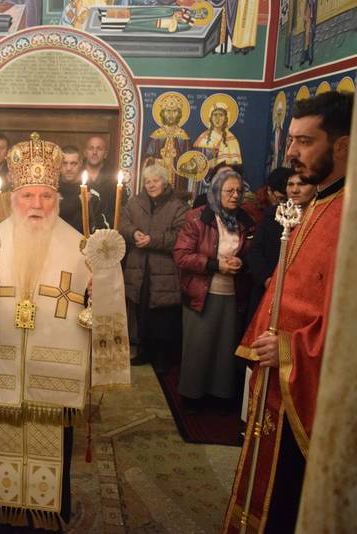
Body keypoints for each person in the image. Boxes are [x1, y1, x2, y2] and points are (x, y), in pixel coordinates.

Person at [224, 91, 352, 533]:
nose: (291, 153)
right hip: (280, 375)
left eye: (305, 141)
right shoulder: (316, 204)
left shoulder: (350, 214)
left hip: (311, 379)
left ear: (342, 146)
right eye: (291, 139)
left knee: (294, 498)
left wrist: (293, 348)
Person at [0, 133, 97, 530]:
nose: (37, 205)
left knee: (52, 433)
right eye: (28, 196)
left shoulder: (81, 246)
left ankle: (47, 510)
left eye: (46, 196)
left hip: (52, 372)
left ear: (58, 199)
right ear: (12, 198)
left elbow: (99, 312)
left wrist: (99, 289)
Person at [173, 167, 255, 412]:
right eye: (229, 191)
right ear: (216, 191)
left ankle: (219, 396)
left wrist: (242, 263)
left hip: (233, 294)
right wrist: (215, 265)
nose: (235, 195)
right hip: (201, 293)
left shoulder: (246, 220)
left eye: (239, 191)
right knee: (198, 347)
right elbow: (181, 256)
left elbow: (253, 254)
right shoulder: (198, 218)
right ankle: (192, 395)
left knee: (224, 349)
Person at [120, 164, 189, 371]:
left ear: (165, 182)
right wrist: (133, 232)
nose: (151, 185)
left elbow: (181, 236)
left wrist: (152, 240)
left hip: (164, 269)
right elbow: (122, 222)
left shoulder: (178, 205)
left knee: (162, 314)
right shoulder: (135, 203)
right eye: (147, 181)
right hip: (139, 266)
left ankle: (162, 357)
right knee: (140, 311)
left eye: (155, 181)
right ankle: (144, 351)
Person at [244, 167, 295, 324]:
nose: (285, 203)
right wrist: (266, 278)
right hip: (265, 285)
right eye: (280, 199)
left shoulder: (303, 214)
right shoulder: (270, 214)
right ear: (269, 192)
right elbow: (255, 251)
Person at [58, 144, 102, 233]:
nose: (69, 168)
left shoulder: (91, 191)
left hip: (83, 240)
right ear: (58, 164)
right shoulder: (51, 189)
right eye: (64, 163)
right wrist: (78, 200)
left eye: (73, 163)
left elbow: (101, 226)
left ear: (80, 163)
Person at [83, 134, 118, 228]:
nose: (94, 152)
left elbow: (121, 207)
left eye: (99, 149)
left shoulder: (114, 177)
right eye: (91, 148)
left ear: (105, 154)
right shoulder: (76, 173)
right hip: (78, 229)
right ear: (85, 153)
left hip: (107, 229)